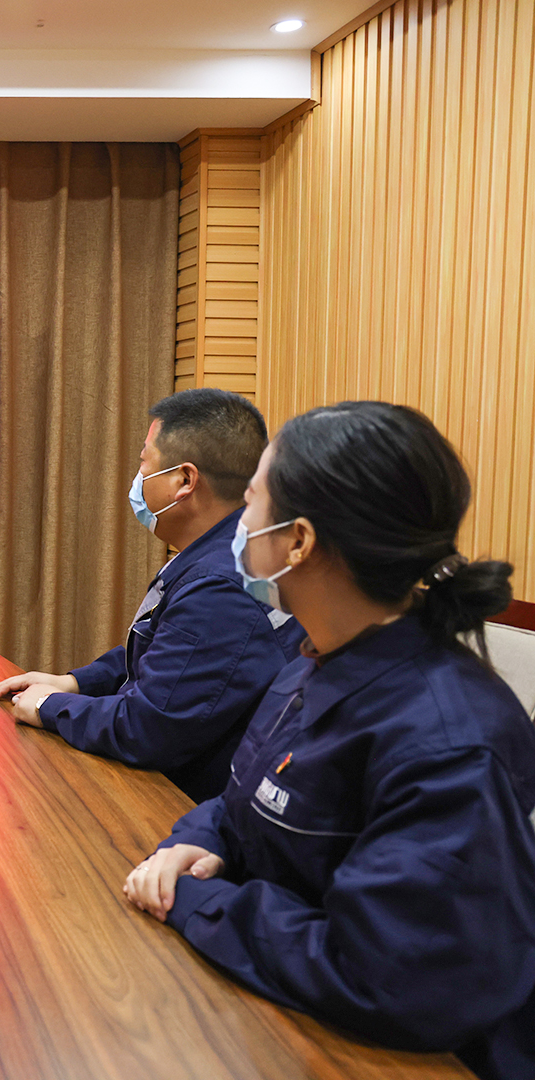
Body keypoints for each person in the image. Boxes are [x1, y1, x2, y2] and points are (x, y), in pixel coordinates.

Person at [123, 401, 535, 1080]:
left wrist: (193, 901)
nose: (236, 526)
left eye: (251, 501)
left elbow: (382, 976)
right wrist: (196, 842)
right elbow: (240, 796)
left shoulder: (447, 739)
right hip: (269, 1020)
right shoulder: (314, 660)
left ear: (298, 542)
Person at [0, 389, 304, 801]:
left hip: (185, 806)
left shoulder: (221, 584)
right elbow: (162, 653)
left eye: (143, 463)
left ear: (184, 481)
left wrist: (50, 707)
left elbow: (149, 728)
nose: (137, 480)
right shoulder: (217, 553)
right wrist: (74, 683)